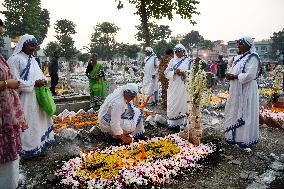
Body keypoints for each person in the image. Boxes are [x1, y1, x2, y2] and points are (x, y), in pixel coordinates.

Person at [7, 34, 54, 157]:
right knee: (27, 123)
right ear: (23, 45)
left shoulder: (32, 59)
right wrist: (34, 83)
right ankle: (26, 148)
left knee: (38, 121)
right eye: (31, 45)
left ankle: (38, 143)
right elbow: (14, 82)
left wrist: (43, 80)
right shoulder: (15, 59)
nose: (33, 48)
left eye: (35, 45)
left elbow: (39, 74)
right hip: (24, 99)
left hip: (37, 96)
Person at [0, 18, 28, 189]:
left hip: (7, 110)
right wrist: (5, 84)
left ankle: (9, 183)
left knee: (10, 154)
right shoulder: (16, 58)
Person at [224, 36, 261, 148]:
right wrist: (229, 75)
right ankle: (232, 137)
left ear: (247, 45)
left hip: (247, 89)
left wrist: (235, 76)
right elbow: (232, 70)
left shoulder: (253, 57)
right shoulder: (237, 58)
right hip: (236, 89)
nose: (238, 45)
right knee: (234, 110)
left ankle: (244, 138)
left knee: (246, 112)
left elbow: (251, 75)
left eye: (240, 43)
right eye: (238, 43)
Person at [164, 44, 192, 130]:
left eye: (178, 51)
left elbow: (193, 73)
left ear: (183, 51)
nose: (177, 53)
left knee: (183, 103)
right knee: (172, 102)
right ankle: (172, 124)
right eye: (175, 51)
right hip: (173, 86)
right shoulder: (172, 61)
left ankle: (183, 123)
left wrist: (184, 73)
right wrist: (174, 72)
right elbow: (166, 73)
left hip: (183, 86)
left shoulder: (189, 61)